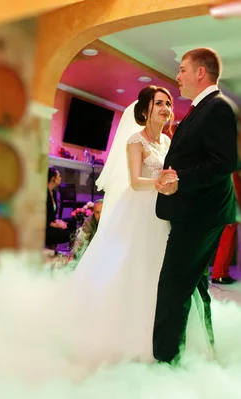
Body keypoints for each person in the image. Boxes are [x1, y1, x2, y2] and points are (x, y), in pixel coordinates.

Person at [62, 85, 213, 366]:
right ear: (146, 110)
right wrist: (159, 183)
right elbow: (134, 181)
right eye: (159, 103)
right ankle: (129, 337)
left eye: (168, 103)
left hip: (164, 210)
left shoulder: (167, 143)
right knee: (134, 269)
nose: (166, 108)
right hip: (139, 209)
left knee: (164, 273)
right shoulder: (135, 141)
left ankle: (166, 335)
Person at [153, 47, 239, 364]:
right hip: (197, 211)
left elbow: (225, 162)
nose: (177, 76)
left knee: (173, 287)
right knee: (195, 285)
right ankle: (203, 346)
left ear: (200, 73)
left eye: (182, 70)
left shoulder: (217, 108)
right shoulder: (200, 108)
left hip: (199, 214)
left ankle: (166, 362)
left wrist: (181, 180)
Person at [45, 167, 75, 248]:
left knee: (71, 222)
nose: (60, 178)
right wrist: (56, 225)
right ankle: (51, 251)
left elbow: (52, 214)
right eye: (59, 176)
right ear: (53, 178)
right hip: (44, 226)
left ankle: (71, 251)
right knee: (67, 234)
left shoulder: (54, 193)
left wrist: (57, 221)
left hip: (50, 223)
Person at [68, 200, 103, 264]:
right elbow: (81, 239)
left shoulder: (111, 220)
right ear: (93, 212)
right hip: (92, 252)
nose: (100, 216)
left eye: (102, 212)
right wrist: (73, 255)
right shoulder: (89, 221)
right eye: (97, 212)